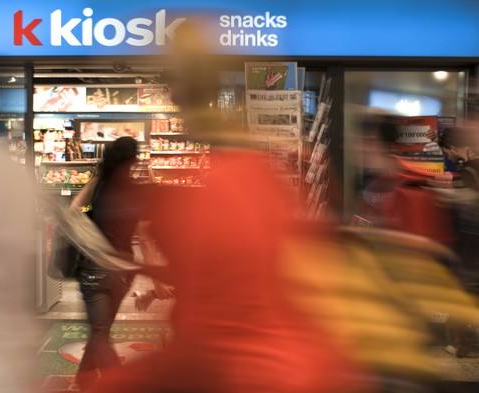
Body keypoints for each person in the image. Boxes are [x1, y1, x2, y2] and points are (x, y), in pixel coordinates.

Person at [82, 20, 371, 393]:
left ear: (192, 95)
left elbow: (217, 333)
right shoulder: (255, 171)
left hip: (260, 375)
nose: (172, 99)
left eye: (177, 88)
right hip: (293, 367)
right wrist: (154, 274)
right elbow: (237, 274)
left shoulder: (227, 183)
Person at [70, 137, 172, 390]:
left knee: (100, 331)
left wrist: (92, 228)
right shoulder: (140, 192)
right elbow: (146, 241)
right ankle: (93, 380)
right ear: (133, 161)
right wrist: (156, 281)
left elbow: (73, 211)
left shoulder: (98, 183)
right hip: (123, 270)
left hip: (94, 266)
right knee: (101, 330)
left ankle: (106, 381)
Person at [438, 126, 479, 357]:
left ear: (454, 148)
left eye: (448, 152)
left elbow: (465, 212)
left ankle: (461, 344)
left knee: (462, 293)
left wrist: (443, 195)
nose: (448, 157)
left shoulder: (467, 172)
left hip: (470, 245)